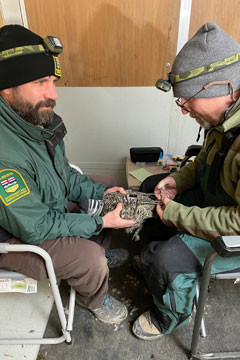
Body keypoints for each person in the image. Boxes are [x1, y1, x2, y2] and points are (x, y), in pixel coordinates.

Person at [0, 24, 136, 325]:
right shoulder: (3, 154)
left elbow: (66, 176)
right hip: (14, 238)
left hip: (42, 211)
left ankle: (94, 253)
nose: (53, 93)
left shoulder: (33, 120)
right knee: (90, 259)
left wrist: (102, 196)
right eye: (40, 82)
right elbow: (34, 227)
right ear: (6, 87)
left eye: (52, 80)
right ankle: (95, 296)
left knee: (108, 187)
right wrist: (99, 221)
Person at [132, 22, 240, 340]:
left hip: (233, 233)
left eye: (188, 100)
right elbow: (203, 163)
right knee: (152, 189)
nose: (185, 110)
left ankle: (170, 315)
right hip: (215, 203)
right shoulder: (223, 119)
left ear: (223, 87)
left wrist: (179, 215)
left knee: (164, 259)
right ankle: (157, 264)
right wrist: (177, 181)